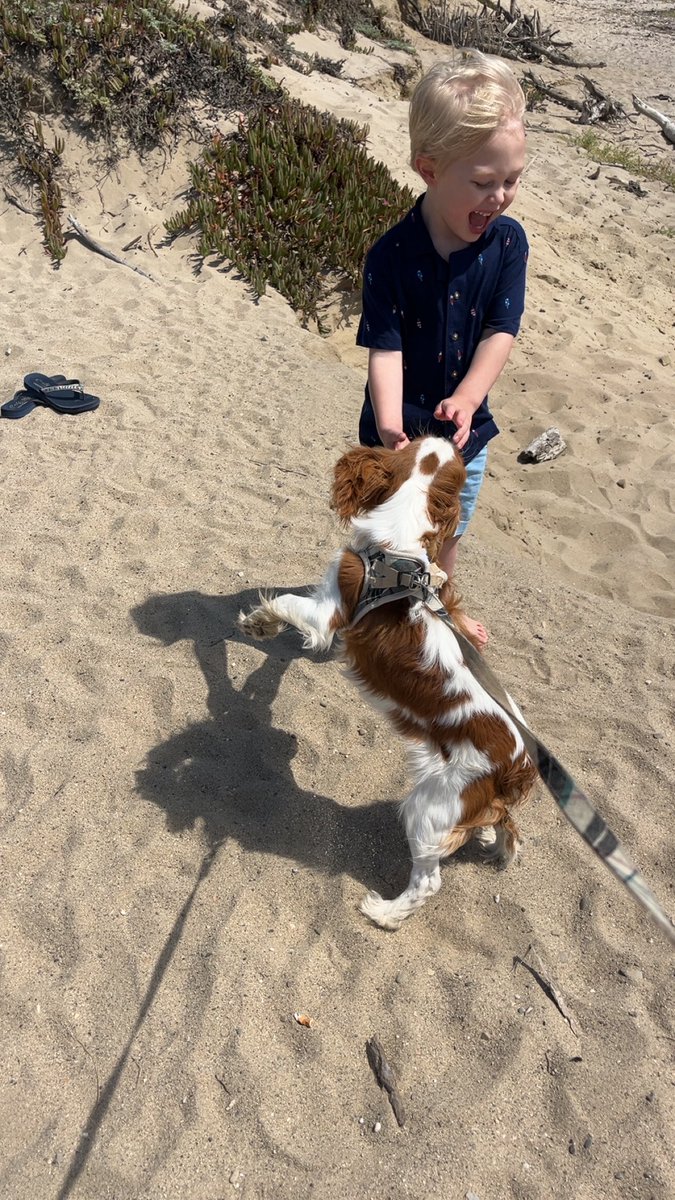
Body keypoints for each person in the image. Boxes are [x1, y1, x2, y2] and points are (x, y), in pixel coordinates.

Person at [356, 51, 529, 647]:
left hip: (464, 430)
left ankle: (440, 608)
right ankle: (382, 604)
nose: (500, 197)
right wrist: (386, 421)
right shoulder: (390, 256)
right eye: (483, 182)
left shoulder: (508, 245)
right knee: (392, 527)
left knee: (448, 528)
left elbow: (500, 330)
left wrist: (468, 394)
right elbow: (385, 346)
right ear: (429, 170)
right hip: (399, 427)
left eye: (512, 180)